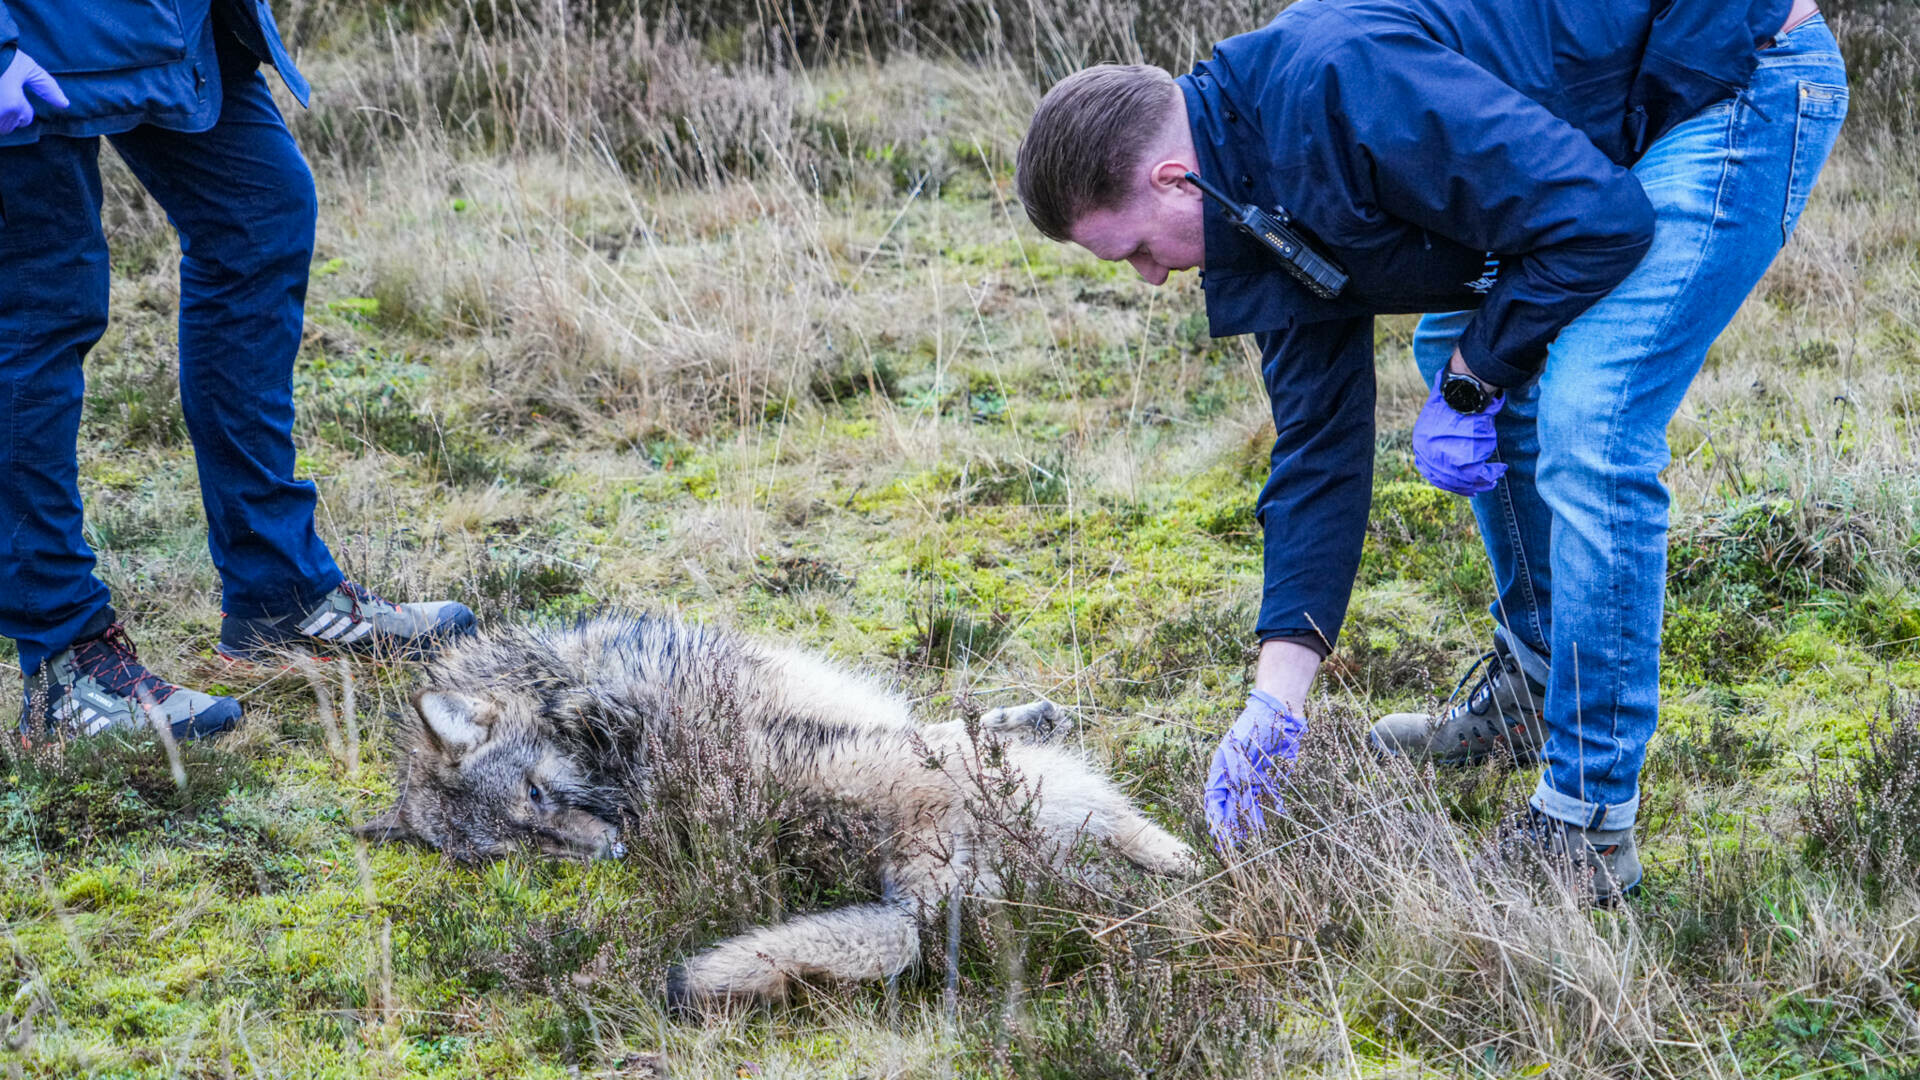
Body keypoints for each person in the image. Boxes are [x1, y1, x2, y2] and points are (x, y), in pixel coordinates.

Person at [1015, 0, 1846, 900]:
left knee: (1589, 419)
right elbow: (1318, 446)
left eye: (1134, 248)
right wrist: (1276, 697)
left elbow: (1599, 221)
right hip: (1598, 128)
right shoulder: (1248, 202)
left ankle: (1587, 827)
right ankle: (1537, 687)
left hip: (1730, 73)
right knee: (1468, 357)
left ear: (1176, 179)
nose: (1150, 276)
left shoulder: (1345, 89)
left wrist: (1472, 378)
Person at [1, 0, 476, 742]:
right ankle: (67, 661)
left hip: (154, 23)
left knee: (260, 214)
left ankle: (278, 591)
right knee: (38, 306)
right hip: (29, 39)